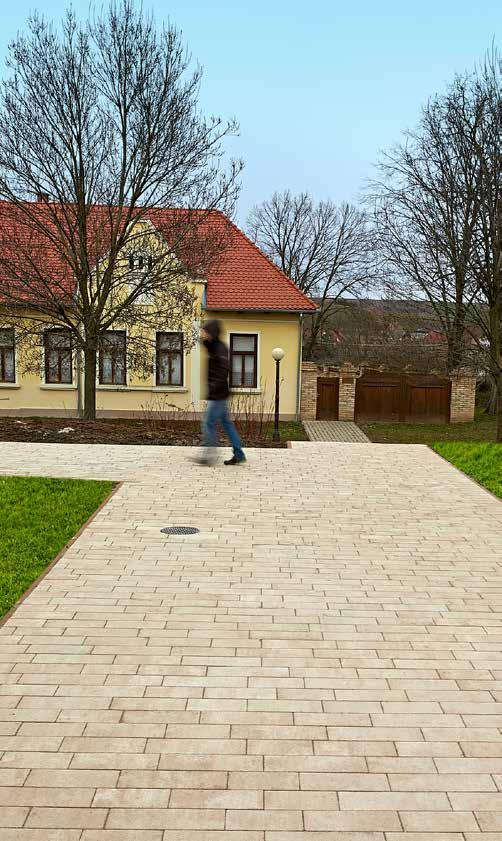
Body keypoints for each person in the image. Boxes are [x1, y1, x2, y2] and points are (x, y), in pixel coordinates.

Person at [194, 319, 246, 466]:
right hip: (219, 393)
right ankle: (239, 454)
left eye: (204, 331)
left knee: (208, 423)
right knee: (226, 424)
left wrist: (213, 387)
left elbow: (224, 370)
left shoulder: (220, 349)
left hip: (218, 394)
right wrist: (206, 339)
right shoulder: (214, 347)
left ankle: (208, 455)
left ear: (211, 332)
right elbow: (206, 344)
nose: (202, 333)